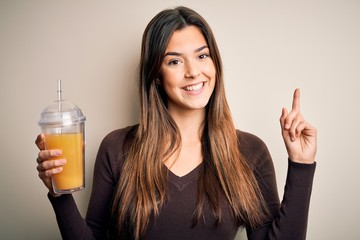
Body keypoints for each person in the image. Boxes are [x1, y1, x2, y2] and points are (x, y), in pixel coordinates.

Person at [35, 6, 317, 240]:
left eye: (202, 55)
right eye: (174, 62)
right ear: (156, 75)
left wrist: (301, 165)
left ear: (214, 63)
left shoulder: (250, 152)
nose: (194, 72)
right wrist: (58, 192)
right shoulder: (116, 148)